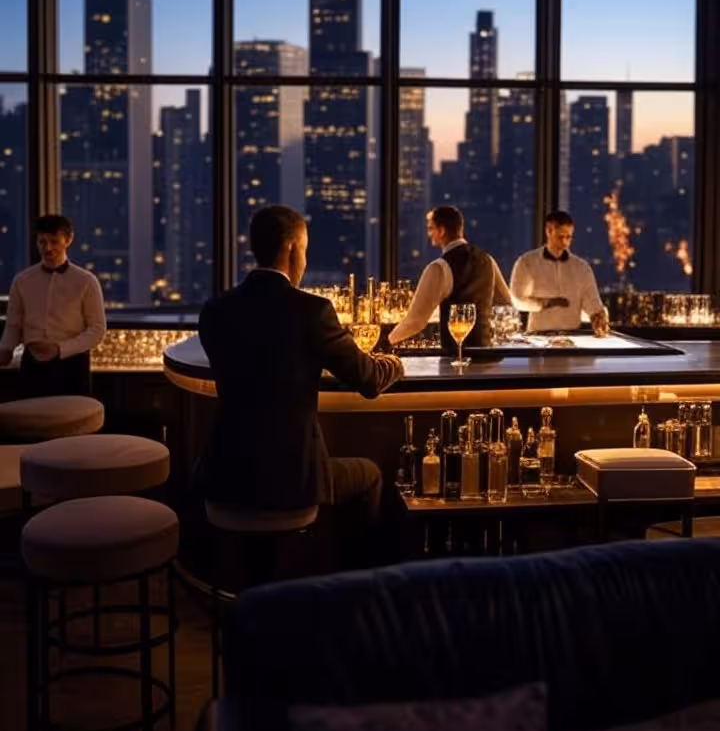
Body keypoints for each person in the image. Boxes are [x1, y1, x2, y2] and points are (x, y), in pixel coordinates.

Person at [197, 204, 404, 568]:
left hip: (225, 478)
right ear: (292, 247)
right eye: (305, 250)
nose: (305, 260)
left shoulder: (215, 309)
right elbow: (369, 380)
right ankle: (356, 588)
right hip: (291, 482)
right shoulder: (312, 311)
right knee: (370, 475)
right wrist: (394, 363)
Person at [0, 214, 107, 397]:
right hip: (32, 366)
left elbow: (97, 330)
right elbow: (14, 325)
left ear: (69, 240)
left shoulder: (86, 281)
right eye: (42, 242)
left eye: (54, 241)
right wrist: (6, 349)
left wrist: (59, 349)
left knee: (71, 422)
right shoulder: (22, 281)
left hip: (72, 365)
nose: (47, 248)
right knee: (32, 421)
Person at [388, 205, 512, 353]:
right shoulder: (487, 260)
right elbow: (506, 299)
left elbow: (415, 322)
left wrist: (385, 343)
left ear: (441, 231)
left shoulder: (439, 267)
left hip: (455, 359)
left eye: (431, 228)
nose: (429, 234)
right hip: (485, 355)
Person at [510, 210, 609, 335]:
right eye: (560, 237)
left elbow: (592, 302)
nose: (565, 243)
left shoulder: (582, 268)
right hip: (538, 338)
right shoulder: (527, 263)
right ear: (549, 231)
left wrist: (598, 316)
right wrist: (545, 303)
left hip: (573, 337)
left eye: (568, 237)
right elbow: (517, 299)